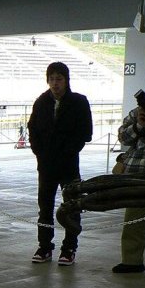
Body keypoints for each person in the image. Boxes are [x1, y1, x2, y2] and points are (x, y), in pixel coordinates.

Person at [27, 61, 92, 265]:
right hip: (46, 165)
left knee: (72, 207)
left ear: (66, 80)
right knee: (44, 208)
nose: (55, 83)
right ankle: (44, 246)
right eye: (52, 79)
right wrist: (39, 152)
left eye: (59, 79)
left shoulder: (79, 102)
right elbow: (33, 129)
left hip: (69, 165)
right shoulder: (41, 102)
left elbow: (85, 133)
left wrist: (68, 151)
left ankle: (69, 248)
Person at [112, 77, 145, 273]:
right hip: (137, 171)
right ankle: (132, 260)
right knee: (134, 218)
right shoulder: (138, 112)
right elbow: (123, 137)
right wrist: (139, 125)